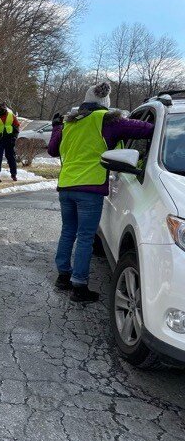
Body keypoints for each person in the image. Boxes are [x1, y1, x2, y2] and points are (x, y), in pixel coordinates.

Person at [48, 81, 154, 303]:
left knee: (68, 232)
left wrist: (56, 127)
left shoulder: (70, 124)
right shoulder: (106, 121)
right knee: (86, 237)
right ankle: (79, 286)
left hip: (66, 187)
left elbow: (52, 150)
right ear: (106, 104)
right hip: (89, 189)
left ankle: (62, 277)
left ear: (85, 103)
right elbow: (145, 130)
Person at [0, 102, 20, 182]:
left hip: (10, 139)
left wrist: (14, 137)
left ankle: (14, 174)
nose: (1, 110)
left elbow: (16, 127)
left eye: (3, 108)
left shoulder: (11, 116)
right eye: (0, 108)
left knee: (11, 157)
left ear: (5, 108)